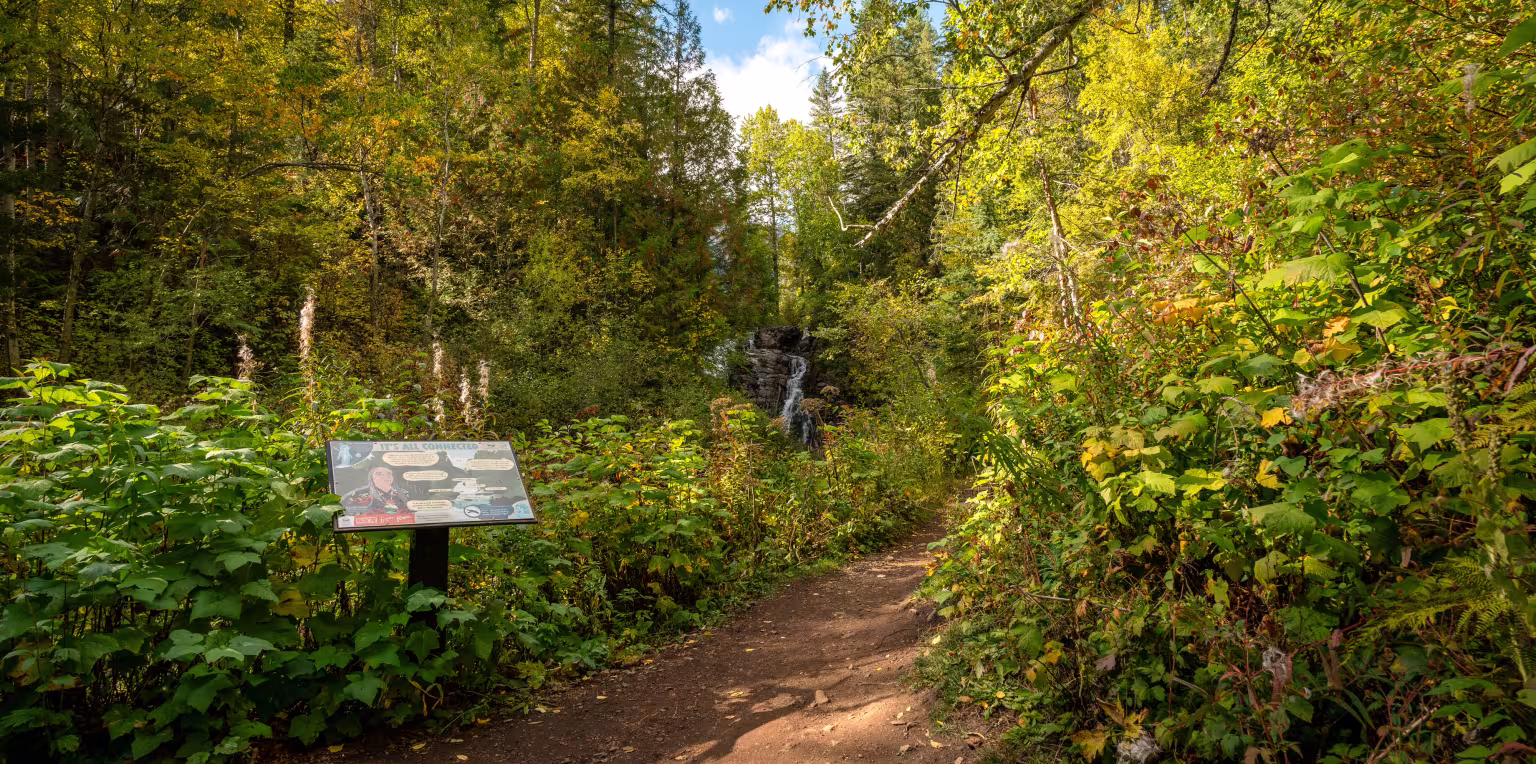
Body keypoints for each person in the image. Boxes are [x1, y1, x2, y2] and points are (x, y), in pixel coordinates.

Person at [340, 466, 412, 516]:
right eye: (379, 474)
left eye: (388, 474)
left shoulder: (404, 493)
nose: (385, 476)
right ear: (371, 477)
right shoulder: (356, 494)